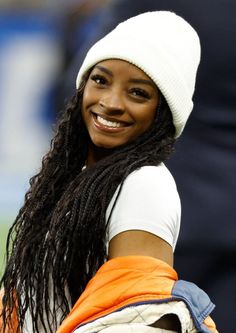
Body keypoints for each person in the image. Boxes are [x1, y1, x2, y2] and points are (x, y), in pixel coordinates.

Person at [0, 11, 218, 333]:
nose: (112, 102)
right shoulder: (80, 177)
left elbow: (140, 323)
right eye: (100, 80)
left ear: (162, 112)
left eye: (138, 93)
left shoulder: (143, 184)